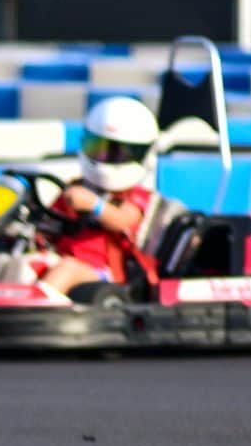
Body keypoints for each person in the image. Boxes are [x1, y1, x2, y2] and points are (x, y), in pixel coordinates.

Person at [40, 96, 162, 296]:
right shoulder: (75, 189)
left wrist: (94, 205)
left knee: (67, 269)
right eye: (97, 148)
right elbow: (48, 224)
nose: (104, 157)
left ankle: (37, 310)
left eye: (115, 153)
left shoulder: (135, 196)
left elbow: (123, 221)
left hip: (106, 273)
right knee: (13, 263)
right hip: (62, 258)